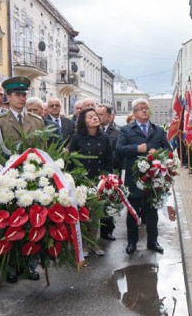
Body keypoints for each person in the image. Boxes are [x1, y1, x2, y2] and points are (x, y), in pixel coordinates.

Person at [117, 99, 171, 255]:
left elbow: (168, 149)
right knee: (133, 211)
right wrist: (136, 148)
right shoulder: (126, 130)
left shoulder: (158, 130)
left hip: (153, 178)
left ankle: (152, 242)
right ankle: (132, 242)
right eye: (140, 109)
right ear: (134, 113)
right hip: (134, 178)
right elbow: (119, 149)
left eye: (146, 108)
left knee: (152, 211)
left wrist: (158, 153)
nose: (144, 111)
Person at [70, 107, 112, 256]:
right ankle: (84, 245)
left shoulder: (104, 137)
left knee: (96, 214)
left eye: (95, 116)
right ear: (83, 122)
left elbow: (108, 160)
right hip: (82, 180)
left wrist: (106, 177)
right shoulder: (77, 138)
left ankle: (93, 243)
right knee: (84, 214)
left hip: (98, 181)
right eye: (90, 117)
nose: (94, 118)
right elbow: (71, 160)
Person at [0, 76, 45, 156]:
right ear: (8, 97)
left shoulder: (37, 121)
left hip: (32, 166)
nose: (22, 98)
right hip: (8, 166)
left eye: (24, 95)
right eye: (17, 95)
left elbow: (43, 150)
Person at [96, 104, 121, 241]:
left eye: (101, 114)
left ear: (109, 116)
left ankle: (107, 231)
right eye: (96, 114)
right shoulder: (91, 130)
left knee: (108, 200)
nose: (98, 117)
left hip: (110, 170)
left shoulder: (117, 132)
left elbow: (118, 152)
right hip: (94, 170)